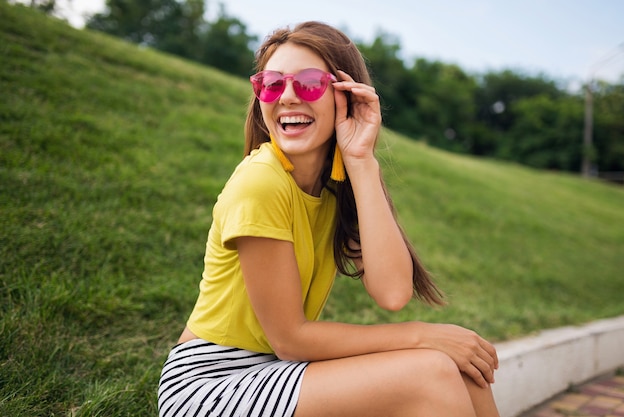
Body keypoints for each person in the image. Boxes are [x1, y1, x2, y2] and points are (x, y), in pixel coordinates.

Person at [158, 21, 501, 417]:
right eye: (271, 83)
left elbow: (392, 293)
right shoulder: (260, 183)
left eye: (308, 83)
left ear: (347, 96)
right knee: (433, 372)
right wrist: (424, 336)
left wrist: (362, 161)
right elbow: (290, 338)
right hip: (210, 383)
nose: (287, 97)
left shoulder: (337, 184)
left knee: (463, 372)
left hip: (273, 369)